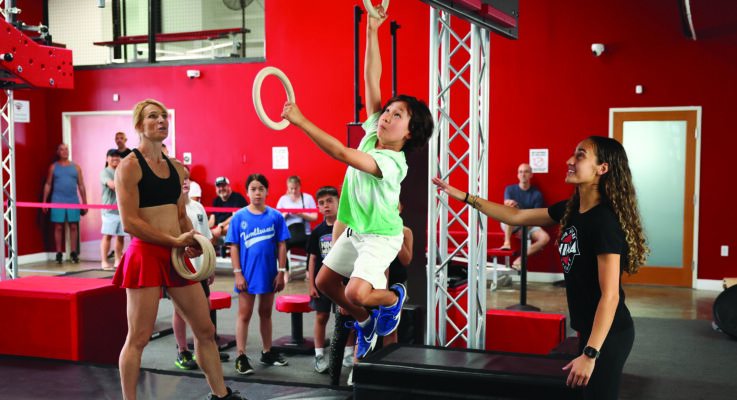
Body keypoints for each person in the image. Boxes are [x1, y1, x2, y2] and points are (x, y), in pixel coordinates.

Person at [432, 136, 648, 400]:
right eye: (573, 154)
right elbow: (516, 216)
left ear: (602, 168)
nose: (569, 161)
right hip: (587, 327)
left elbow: (611, 295)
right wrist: (465, 197)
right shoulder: (572, 209)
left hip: (609, 334)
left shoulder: (604, 223)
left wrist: (591, 353)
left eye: (580, 156)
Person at [281, 4, 434, 360]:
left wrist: (301, 121)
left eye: (398, 115)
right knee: (324, 283)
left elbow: (340, 153)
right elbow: (371, 79)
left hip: (381, 236)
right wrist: (372, 30)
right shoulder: (372, 133)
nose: (387, 116)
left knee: (355, 293)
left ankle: (394, 298)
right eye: (388, 111)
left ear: (410, 133)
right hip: (358, 231)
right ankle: (365, 323)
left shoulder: (391, 162)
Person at [112, 99, 245, 400]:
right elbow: (130, 223)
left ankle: (220, 396)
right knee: (139, 338)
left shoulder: (176, 168)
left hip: (177, 254)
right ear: (139, 125)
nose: (161, 121)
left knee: (205, 330)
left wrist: (196, 244)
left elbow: (181, 214)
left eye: (164, 116)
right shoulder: (129, 167)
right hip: (146, 253)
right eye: (152, 117)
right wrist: (172, 241)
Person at [226, 173, 289, 375]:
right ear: (247, 192)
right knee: (244, 314)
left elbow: (281, 245)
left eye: (261, 188)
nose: (257, 192)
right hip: (246, 274)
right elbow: (234, 246)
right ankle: (241, 356)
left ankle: (267, 351)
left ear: (267, 191)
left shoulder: (275, 216)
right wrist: (237, 273)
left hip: (269, 273)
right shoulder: (239, 217)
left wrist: (281, 271)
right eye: (253, 189)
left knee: (265, 313)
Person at [172, 168, 229, 370]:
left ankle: (205, 349)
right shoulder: (172, 210)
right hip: (180, 269)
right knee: (180, 311)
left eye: (187, 179)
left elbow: (206, 240)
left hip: (200, 269)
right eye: (181, 180)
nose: (185, 183)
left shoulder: (198, 208)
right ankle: (182, 351)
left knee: (204, 307)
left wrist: (209, 267)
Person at [306, 186, 354, 373]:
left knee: (346, 316)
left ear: (338, 202)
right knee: (321, 316)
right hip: (322, 284)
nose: (326, 205)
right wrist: (311, 285)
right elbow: (312, 259)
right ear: (318, 207)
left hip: (342, 282)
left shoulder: (348, 228)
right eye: (322, 202)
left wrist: (348, 284)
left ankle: (349, 354)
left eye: (330, 201)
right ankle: (319, 355)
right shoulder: (317, 231)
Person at [42, 143, 88, 264]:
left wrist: (85, 202)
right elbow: (48, 184)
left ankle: (73, 253)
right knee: (58, 227)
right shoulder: (53, 167)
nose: (65, 151)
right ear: (58, 152)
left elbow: (81, 185)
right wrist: (44, 202)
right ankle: (58, 253)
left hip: (73, 200)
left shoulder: (76, 167)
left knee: (73, 226)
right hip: (57, 200)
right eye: (62, 150)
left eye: (66, 149)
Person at [501, 163, 550, 269]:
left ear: (531, 175)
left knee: (545, 238)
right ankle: (507, 242)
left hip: (528, 224)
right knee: (510, 209)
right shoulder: (510, 189)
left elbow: (537, 217)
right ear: (518, 175)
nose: (523, 174)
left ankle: (520, 259)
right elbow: (506, 204)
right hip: (511, 222)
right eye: (521, 172)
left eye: (526, 171)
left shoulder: (537, 194)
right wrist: (511, 203)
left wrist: (525, 228)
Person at [276, 175, 318, 283]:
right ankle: (285, 272)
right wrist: (286, 214)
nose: (294, 191)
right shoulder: (283, 200)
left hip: (305, 233)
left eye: (296, 188)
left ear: (300, 186)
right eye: (291, 189)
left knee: (313, 244)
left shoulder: (307, 198)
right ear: (287, 187)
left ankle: (309, 271)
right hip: (288, 234)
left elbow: (315, 217)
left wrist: (301, 214)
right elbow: (277, 220)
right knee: (279, 245)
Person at [100, 148, 125, 270]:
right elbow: (113, 185)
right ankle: (104, 261)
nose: (115, 158)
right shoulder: (105, 172)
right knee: (108, 235)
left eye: (117, 156)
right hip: (109, 211)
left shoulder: (121, 171)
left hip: (122, 210)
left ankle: (118, 260)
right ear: (107, 158)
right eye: (112, 156)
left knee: (120, 236)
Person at [209, 176, 248, 241]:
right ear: (216, 188)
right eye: (219, 186)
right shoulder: (216, 200)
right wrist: (206, 229)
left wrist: (220, 226)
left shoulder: (237, 197)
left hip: (238, 226)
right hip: (219, 228)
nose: (221, 188)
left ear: (228, 186)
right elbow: (212, 220)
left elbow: (235, 217)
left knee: (230, 227)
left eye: (223, 186)